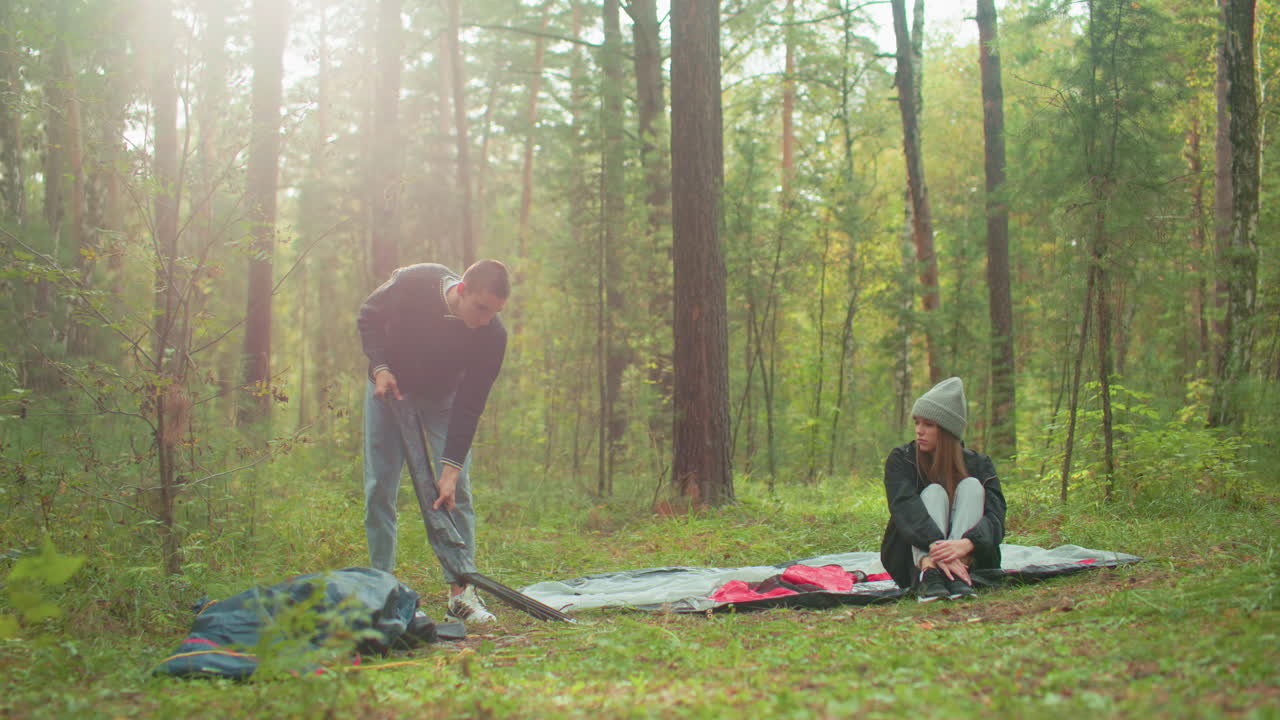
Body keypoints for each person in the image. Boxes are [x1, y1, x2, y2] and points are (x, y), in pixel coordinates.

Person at [358, 259, 510, 623]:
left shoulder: (492, 335)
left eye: (495, 312)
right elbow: (368, 317)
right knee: (381, 487)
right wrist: (380, 367)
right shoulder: (414, 282)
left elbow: (472, 401)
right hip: (389, 390)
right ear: (461, 290)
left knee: (457, 492)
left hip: (444, 401)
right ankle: (383, 587)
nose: (487, 319)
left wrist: (451, 466)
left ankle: (462, 592)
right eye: (481, 308)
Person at [879, 377, 1006, 602]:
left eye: (928, 425)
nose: (919, 431)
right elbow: (904, 508)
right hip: (912, 559)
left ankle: (959, 572)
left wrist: (966, 544)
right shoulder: (902, 459)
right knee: (934, 493)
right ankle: (929, 573)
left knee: (972, 486)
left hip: (971, 557)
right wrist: (938, 551)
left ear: (948, 431)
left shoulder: (979, 465)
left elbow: (996, 516)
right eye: (917, 423)